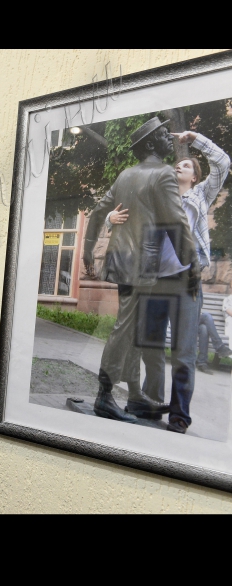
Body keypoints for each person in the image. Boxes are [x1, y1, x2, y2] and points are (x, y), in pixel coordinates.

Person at [83, 118, 201, 431]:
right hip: (139, 266)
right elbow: (176, 225)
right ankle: (105, 396)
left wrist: (87, 250)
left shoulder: (125, 174)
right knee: (125, 330)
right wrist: (193, 266)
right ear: (150, 145)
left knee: (133, 330)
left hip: (123, 261)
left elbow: (98, 212)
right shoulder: (162, 173)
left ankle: (135, 395)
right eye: (163, 136)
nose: (168, 140)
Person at [106, 131, 231, 411]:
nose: (179, 165)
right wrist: (108, 218)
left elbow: (222, 162)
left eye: (186, 165)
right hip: (153, 280)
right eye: (177, 163)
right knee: (151, 349)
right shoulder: (157, 189)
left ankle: (179, 414)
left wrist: (195, 139)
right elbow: (124, 212)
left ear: (195, 178)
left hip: (186, 280)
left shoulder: (201, 194)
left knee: (183, 352)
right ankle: (149, 405)